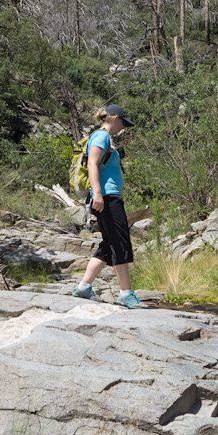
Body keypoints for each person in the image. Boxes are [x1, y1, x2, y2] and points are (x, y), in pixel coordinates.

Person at [73, 104, 142, 309]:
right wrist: (99, 194)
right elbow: (92, 164)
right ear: (113, 118)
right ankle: (125, 294)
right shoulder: (101, 137)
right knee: (120, 242)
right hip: (105, 198)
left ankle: (84, 287)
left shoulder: (105, 139)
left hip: (109, 197)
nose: (123, 127)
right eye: (122, 122)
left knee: (109, 243)